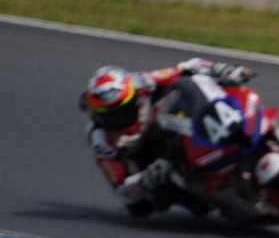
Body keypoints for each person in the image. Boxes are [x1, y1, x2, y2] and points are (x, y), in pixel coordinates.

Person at [78, 58, 254, 217]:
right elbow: (121, 189)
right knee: (143, 206)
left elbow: (187, 67)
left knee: (191, 87)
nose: (117, 119)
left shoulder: (142, 81)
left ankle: (230, 130)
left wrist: (219, 69)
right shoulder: (101, 140)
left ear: (134, 97)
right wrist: (146, 179)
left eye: (122, 110)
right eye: (109, 115)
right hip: (142, 153)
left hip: (165, 123)